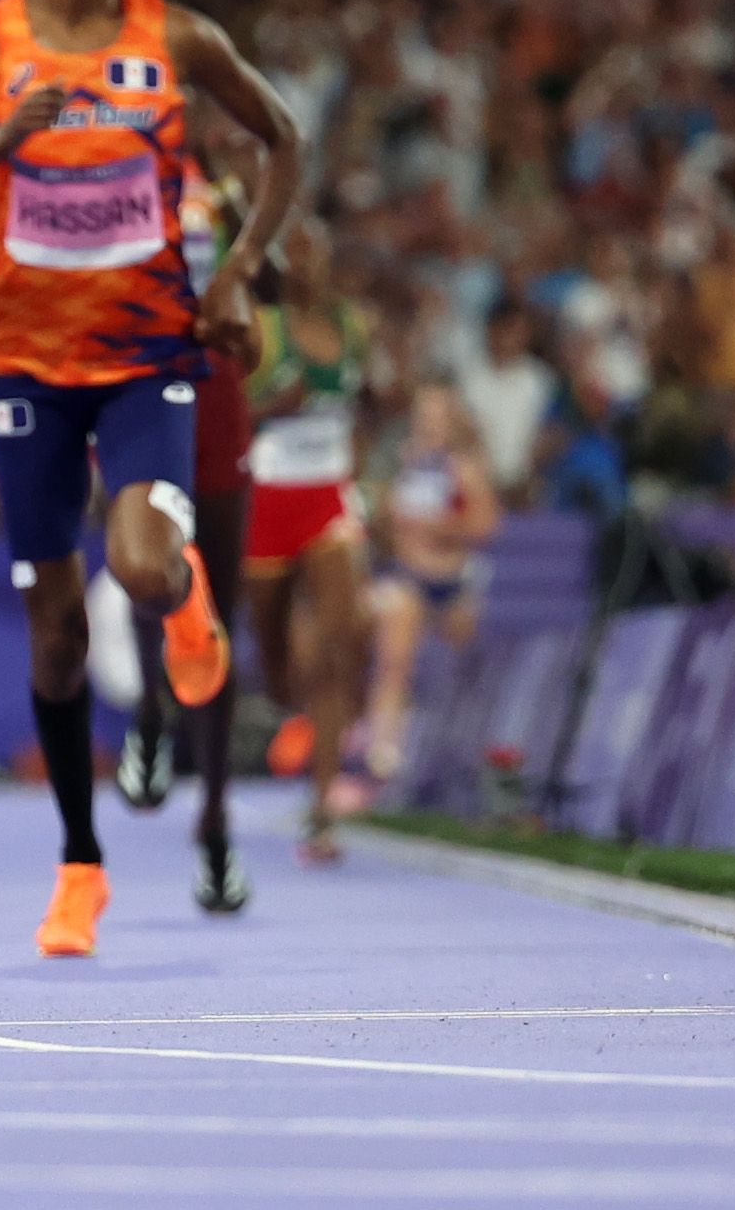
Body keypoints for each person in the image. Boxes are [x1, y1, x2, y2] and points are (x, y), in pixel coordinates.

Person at [0, 0, 306, 959]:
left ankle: (185, 601)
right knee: (59, 640)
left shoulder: (176, 35)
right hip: (23, 368)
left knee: (139, 564)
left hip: (145, 355)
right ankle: (81, 867)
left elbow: (283, 139)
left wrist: (233, 272)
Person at [108, 147, 260, 913]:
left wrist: (253, 236)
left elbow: (270, 306)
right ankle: (147, 709)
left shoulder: (218, 185)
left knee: (215, 619)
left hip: (216, 396)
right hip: (135, 385)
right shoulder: (93, 165)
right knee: (147, 561)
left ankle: (215, 824)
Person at [241, 221, 377, 863]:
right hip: (268, 496)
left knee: (339, 640)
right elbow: (223, 416)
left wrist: (361, 460)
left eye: (315, 253)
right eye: (294, 254)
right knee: (278, 661)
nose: (306, 265)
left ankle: (322, 809)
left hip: (327, 493)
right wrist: (274, 407)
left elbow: (367, 404)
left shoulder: (353, 327)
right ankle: (287, 705)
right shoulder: (262, 329)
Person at [363, 381, 502, 782]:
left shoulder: (464, 467)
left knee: (464, 668)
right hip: (407, 575)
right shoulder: (401, 463)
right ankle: (383, 751)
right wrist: (389, 521)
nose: (430, 423)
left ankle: (464, 750)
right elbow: (382, 523)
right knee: (394, 662)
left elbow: (486, 525)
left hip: (454, 578)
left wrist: (434, 527)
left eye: (438, 415)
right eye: (423, 415)